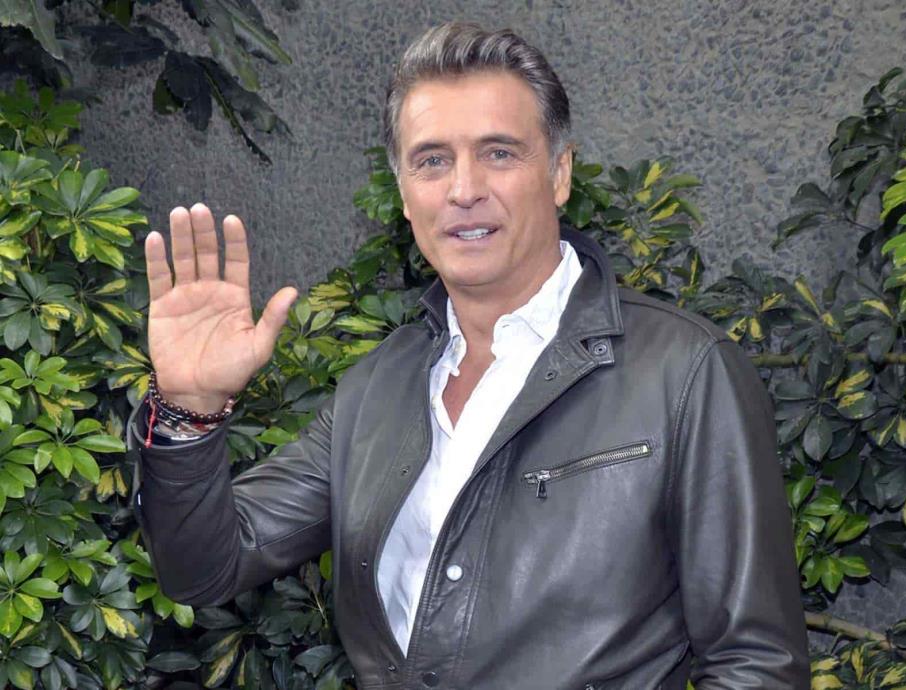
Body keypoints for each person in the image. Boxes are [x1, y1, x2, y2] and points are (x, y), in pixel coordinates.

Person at [127, 22, 810, 690]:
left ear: (560, 173)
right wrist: (189, 409)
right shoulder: (374, 390)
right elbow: (203, 570)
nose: (463, 189)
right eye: (431, 160)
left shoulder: (685, 372)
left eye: (499, 153)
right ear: (403, 192)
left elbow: (756, 663)